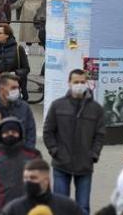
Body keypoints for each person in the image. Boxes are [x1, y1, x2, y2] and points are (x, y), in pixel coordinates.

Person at [43, 69, 106, 214]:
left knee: (83, 207)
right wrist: (54, 150)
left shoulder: (96, 109)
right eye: (76, 82)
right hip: (61, 163)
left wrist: (94, 154)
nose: (79, 85)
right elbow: (48, 131)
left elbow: (100, 134)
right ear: (69, 83)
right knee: (60, 206)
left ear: (87, 83)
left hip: (85, 164)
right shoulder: (57, 105)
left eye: (82, 82)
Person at [0, 117, 43, 215]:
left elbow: (43, 184)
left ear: (20, 134)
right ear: (0, 134)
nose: (10, 135)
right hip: (0, 210)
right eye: (6, 132)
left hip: (29, 209)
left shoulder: (33, 155)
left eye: (14, 132)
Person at [0, 158, 84, 215]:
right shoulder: (13, 210)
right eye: (25, 178)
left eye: (33, 178)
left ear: (46, 180)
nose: (28, 181)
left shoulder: (68, 207)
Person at [0, 23, 30, 98]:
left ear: (7, 35)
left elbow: (26, 69)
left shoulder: (18, 49)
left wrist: (15, 73)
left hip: (13, 89)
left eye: (0, 33)